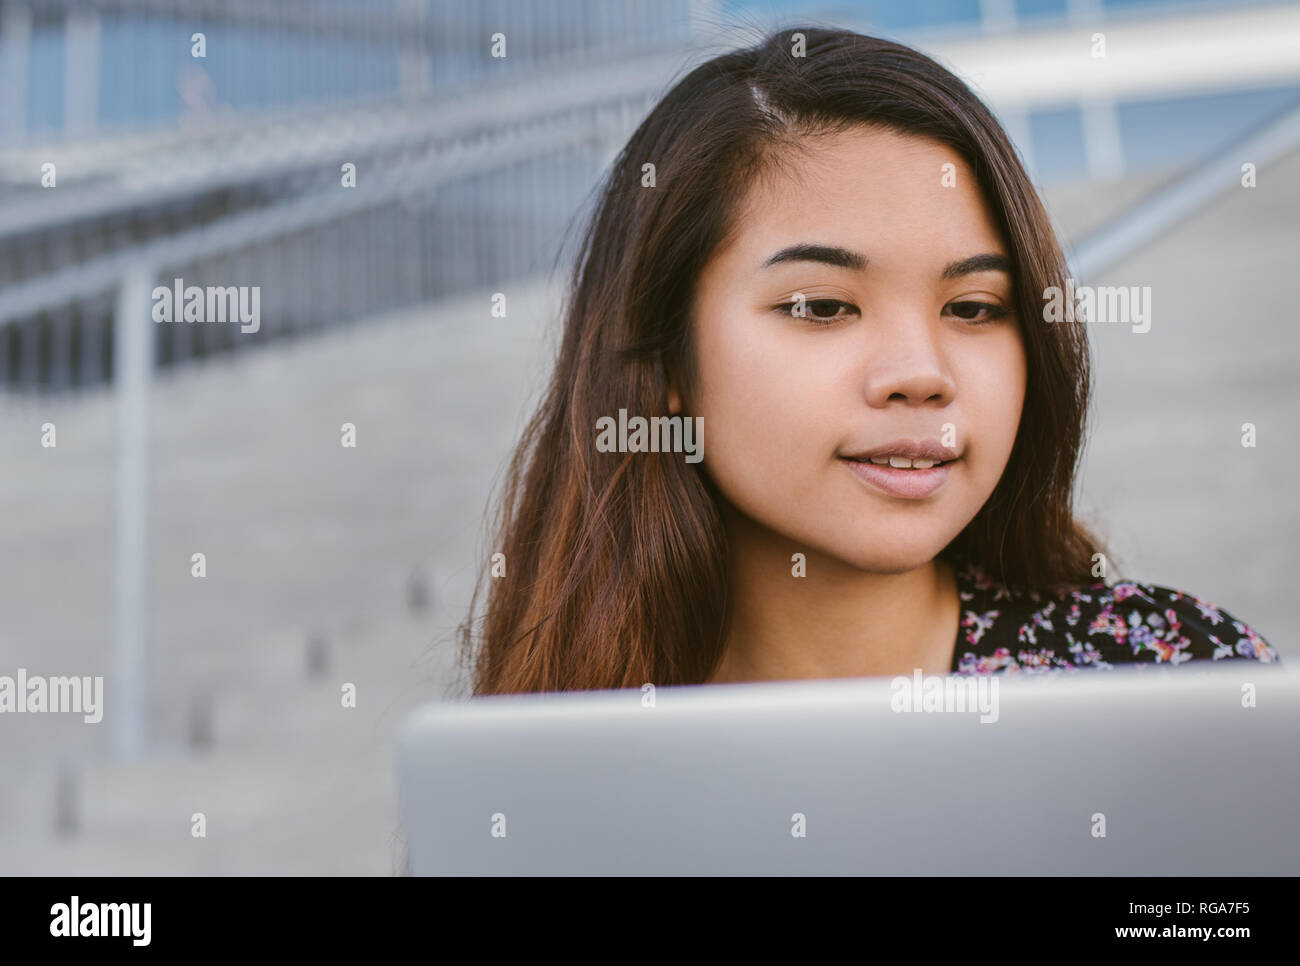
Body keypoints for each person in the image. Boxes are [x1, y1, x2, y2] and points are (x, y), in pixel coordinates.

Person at [458, 26, 1278, 694]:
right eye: (821, 306)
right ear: (667, 359)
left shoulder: (1174, 683)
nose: (922, 372)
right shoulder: (549, 758)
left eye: (974, 309)